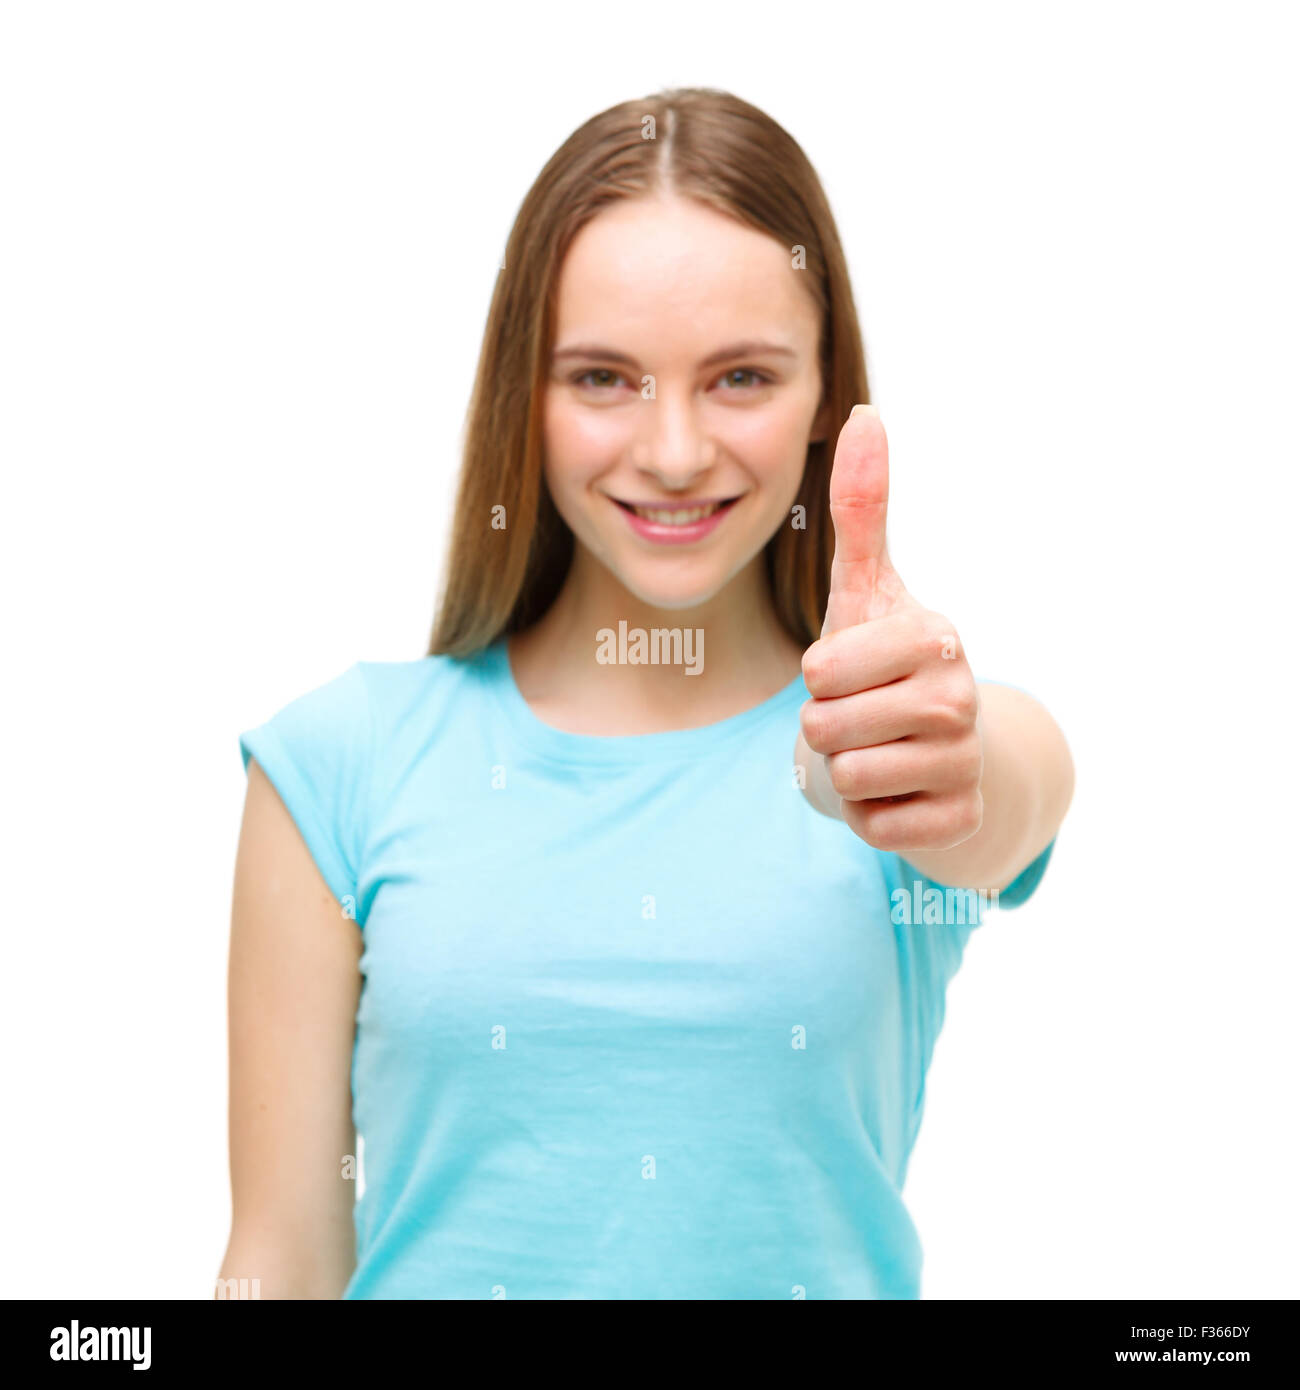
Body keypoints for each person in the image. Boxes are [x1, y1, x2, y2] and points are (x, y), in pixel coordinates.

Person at [218, 87, 1074, 1300]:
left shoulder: (908, 735)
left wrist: (921, 771)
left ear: (828, 395)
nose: (672, 451)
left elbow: (1010, 788)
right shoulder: (334, 766)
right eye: (604, 378)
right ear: (526, 390)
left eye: (740, 377)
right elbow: (278, 1267)